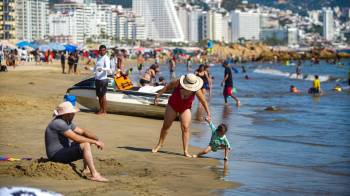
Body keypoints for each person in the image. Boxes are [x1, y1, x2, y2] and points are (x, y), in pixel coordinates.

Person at [45, 101, 108, 182]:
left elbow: (82, 132)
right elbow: (76, 138)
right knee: (85, 144)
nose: (74, 114)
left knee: (86, 140)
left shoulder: (67, 121)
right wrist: (95, 142)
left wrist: (96, 139)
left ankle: (86, 169)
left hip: (63, 150)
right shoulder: (58, 123)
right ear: (67, 114)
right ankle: (94, 175)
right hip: (55, 155)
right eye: (73, 113)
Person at [152, 73, 211, 157]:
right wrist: (158, 95)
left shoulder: (196, 89)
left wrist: (209, 113)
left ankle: (185, 151)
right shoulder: (178, 82)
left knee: (185, 128)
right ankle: (159, 144)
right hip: (173, 105)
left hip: (185, 108)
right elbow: (167, 87)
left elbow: (203, 101)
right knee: (166, 126)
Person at [93, 45, 112, 115]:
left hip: (103, 79)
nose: (102, 51)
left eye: (103, 50)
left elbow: (108, 68)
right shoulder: (98, 58)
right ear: (99, 50)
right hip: (97, 79)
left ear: (105, 50)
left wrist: (102, 69)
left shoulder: (106, 58)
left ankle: (104, 111)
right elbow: (95, 69)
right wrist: (89, 68)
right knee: (99, 95)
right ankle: (101, 109)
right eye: (100, 50)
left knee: (103, 95)